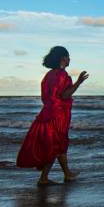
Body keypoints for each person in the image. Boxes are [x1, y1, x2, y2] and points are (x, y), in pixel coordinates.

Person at [16, 46, 88, 185]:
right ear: (63, 58)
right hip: (58, 115)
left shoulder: (49, 75)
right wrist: (79, 82)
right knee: (56, 145)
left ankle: (65, 174)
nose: (69, 59)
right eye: (68, 56)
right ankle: (47, 178)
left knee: (56, 145)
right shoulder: (62, 75)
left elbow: (48, 96)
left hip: (47, 113)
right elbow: (64, 95)